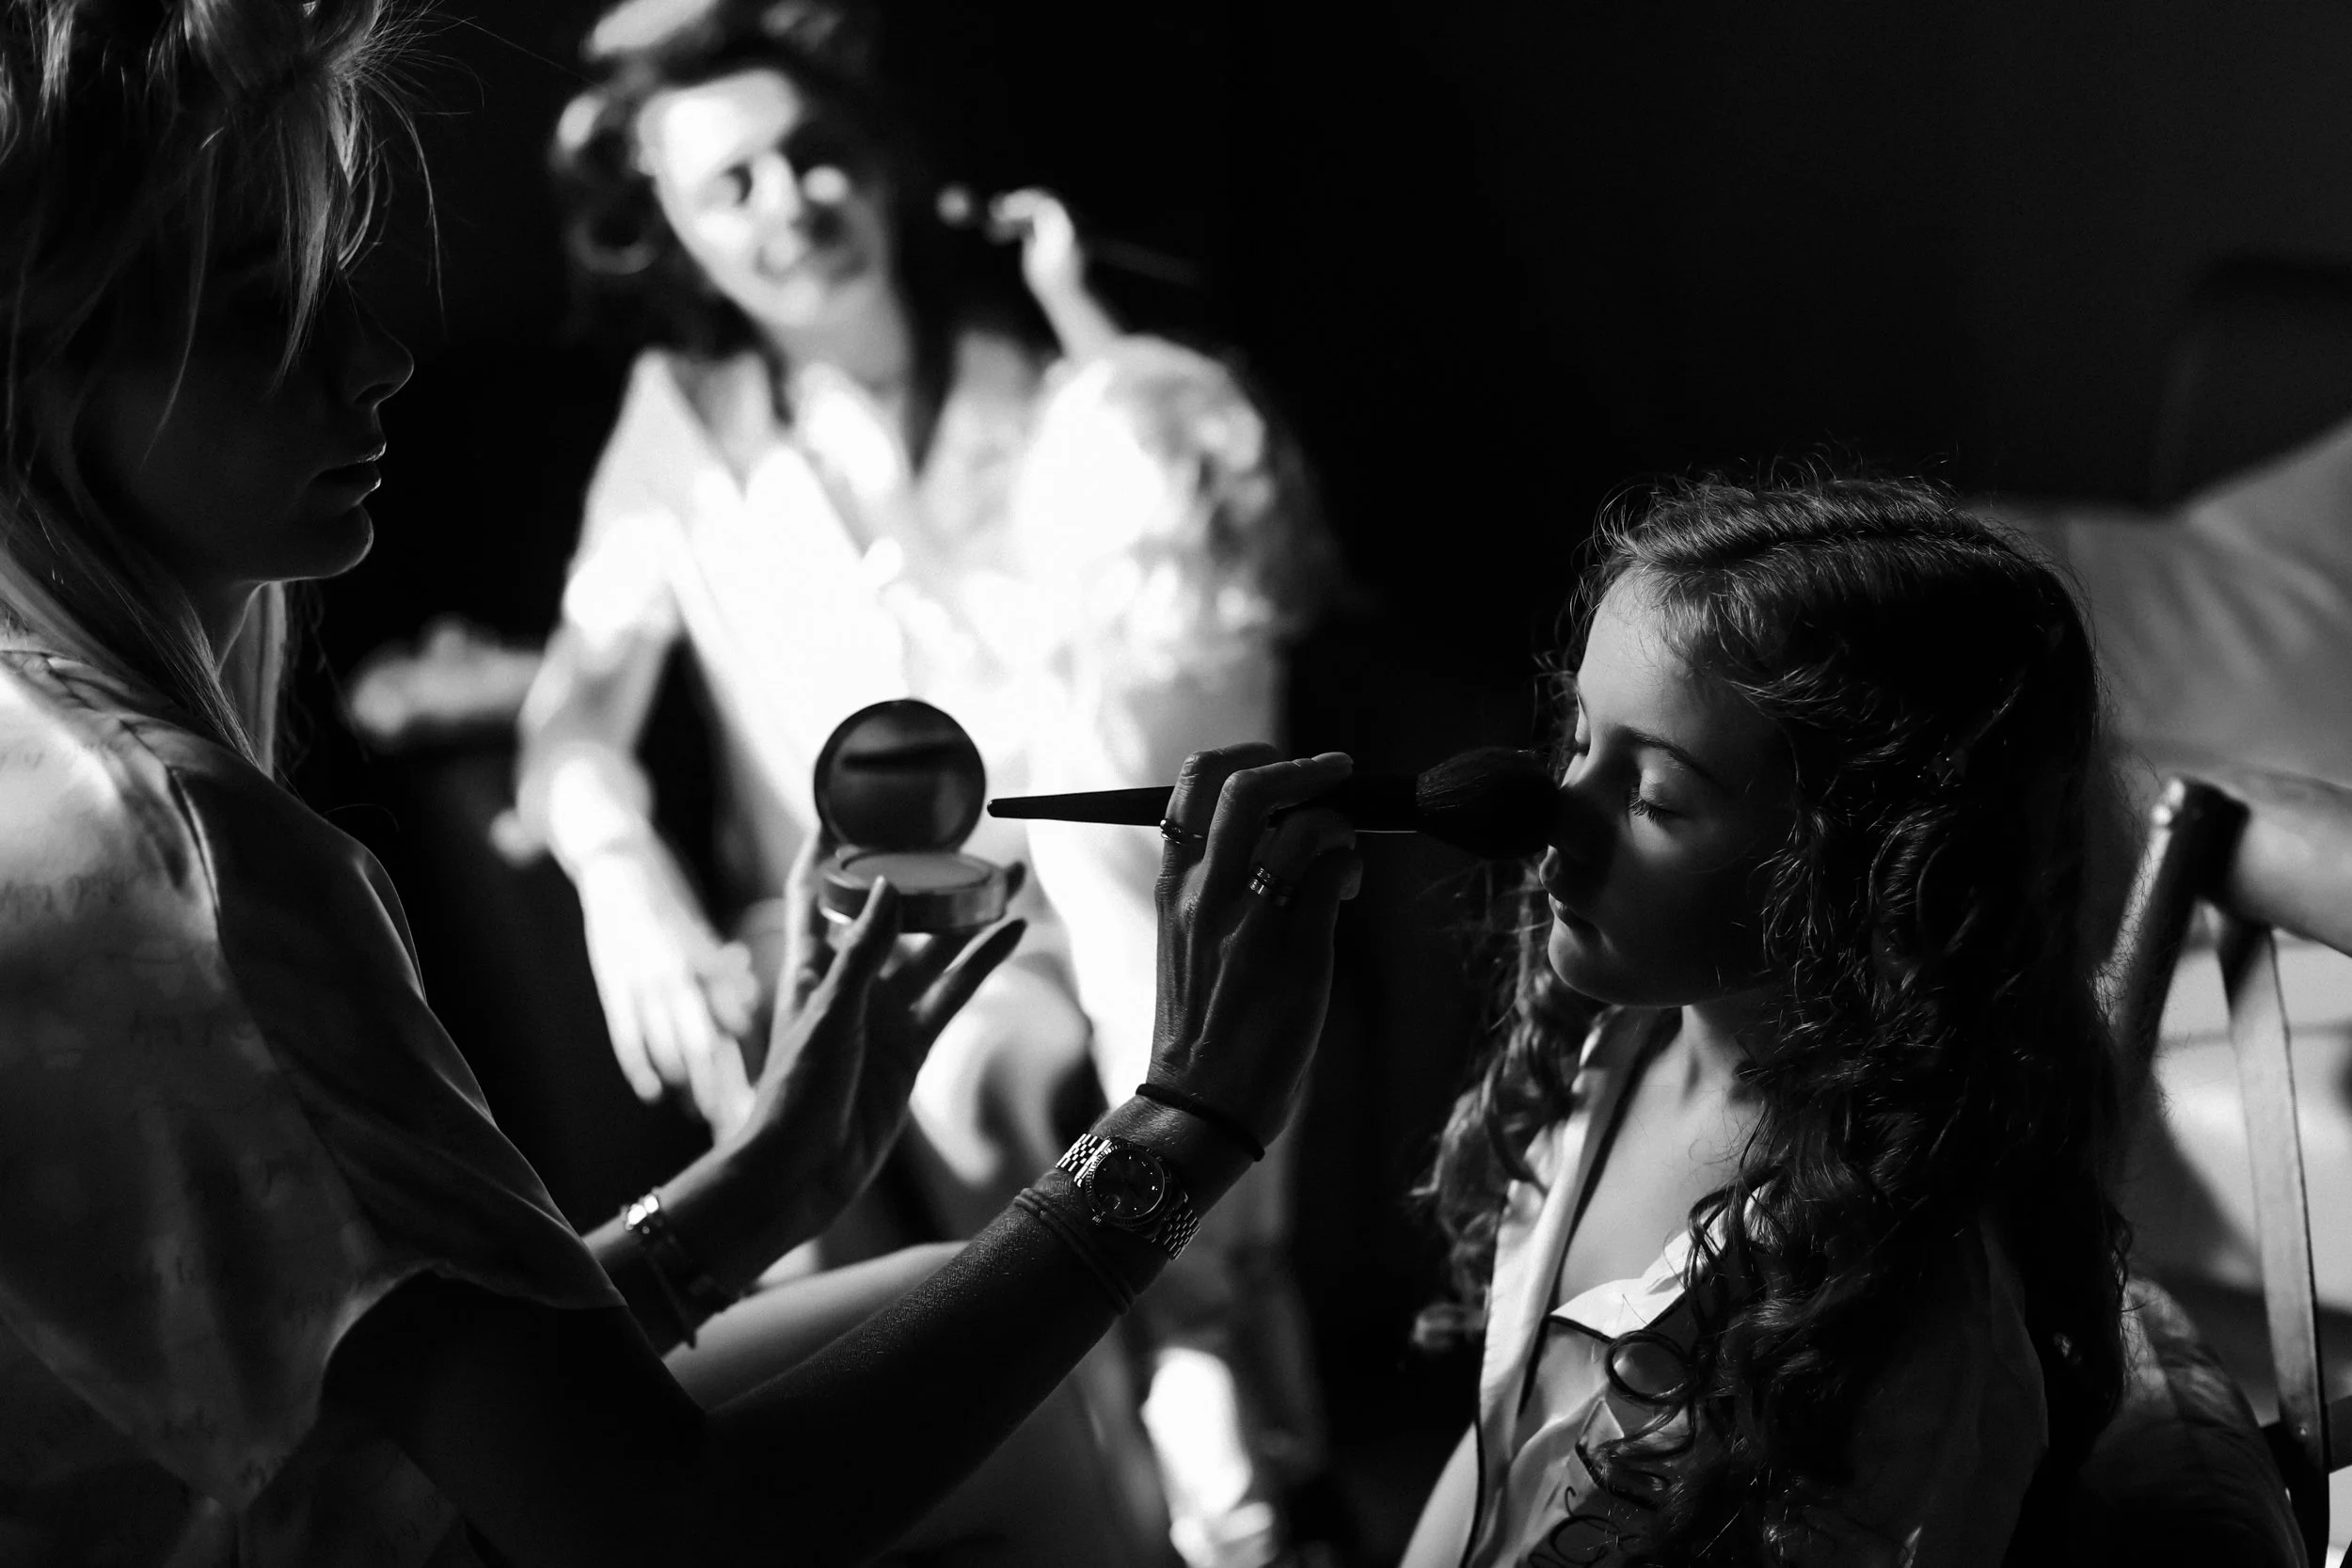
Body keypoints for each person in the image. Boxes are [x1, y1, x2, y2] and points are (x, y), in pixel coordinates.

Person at [0, 2, 1363, 1562]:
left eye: (816, 156)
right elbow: (656, 1524)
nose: (379, 362)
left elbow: (423, 1372)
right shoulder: (200, 868)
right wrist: (1192, 1121)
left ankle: (1234, 1456)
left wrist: (758, 1187)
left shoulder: (1073, 391)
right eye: (262, 307)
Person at [509, 1, 1338, 1560]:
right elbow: (569, 728)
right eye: (729, 184)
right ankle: (1108, 1486)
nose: (787, 204)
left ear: (880, 163)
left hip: (1097, 907)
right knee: (920, 1072)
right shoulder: (683, 430)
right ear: (675, 232)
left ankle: (1223, 1476)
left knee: (1049, 1034)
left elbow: (1210, 591)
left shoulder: (1046, 365)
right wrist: (625, 878)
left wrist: (1084, 319)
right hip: (859, 932)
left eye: (813, 155)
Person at [1398, 479, 2130, 1566]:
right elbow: (1508, 1447)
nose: (1556, 817)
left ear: (1862, 866)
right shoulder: (1612, 1048)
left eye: (1654, 797)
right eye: (1580, 740)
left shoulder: (1897, 1328)